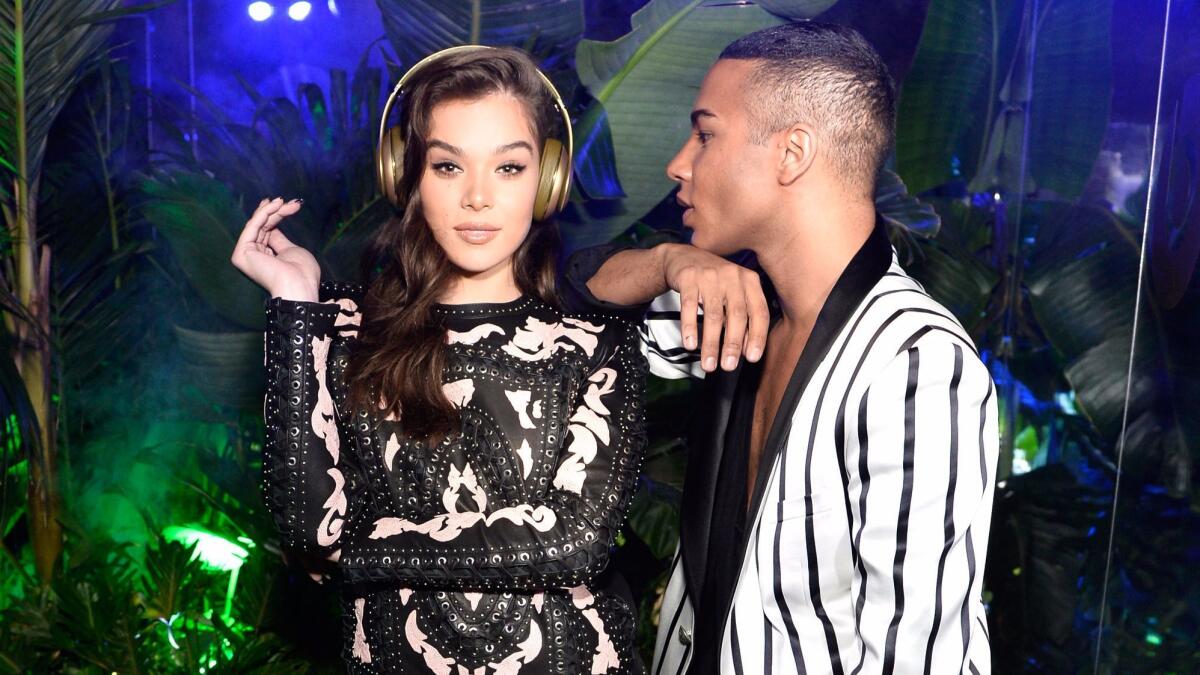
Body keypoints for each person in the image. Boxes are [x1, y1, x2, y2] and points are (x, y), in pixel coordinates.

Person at [565, 22, 999, 674]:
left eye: (706, 133)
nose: (679, 163)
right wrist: (666, 263)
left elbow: (912, 656)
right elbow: (564, 317)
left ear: (791, 153)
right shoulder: (741, 309)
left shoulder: (913, 364)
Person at [231, 46, 648, 674]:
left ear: (549, 179)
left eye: (509, 167)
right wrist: (295, 305)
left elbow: (573, 544)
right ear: (408, 176)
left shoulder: (594, 341)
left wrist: (358, 557)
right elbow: (308, 530)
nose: (478, 197)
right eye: (449, 166)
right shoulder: (341, 330)